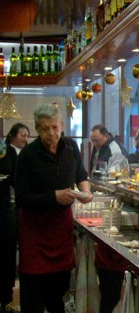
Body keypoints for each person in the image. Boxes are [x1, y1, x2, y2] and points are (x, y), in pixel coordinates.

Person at [15, 104, 93, 312]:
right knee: (34, 293)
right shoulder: (27, 156)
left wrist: (85, 192)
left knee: (58, 289)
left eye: (54, 127)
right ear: (37, 130)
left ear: (62, 125)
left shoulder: (71, 147)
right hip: (35, 231)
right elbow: (22, 198)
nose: (51, 133)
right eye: (44, 129)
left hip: (61, 228)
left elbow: (80, 174)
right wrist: (53, 197)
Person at [0, 139, 18, 313]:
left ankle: (6, 300)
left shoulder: (8, 151)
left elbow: (17, 181)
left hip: (5, 212)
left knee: (6, 259)